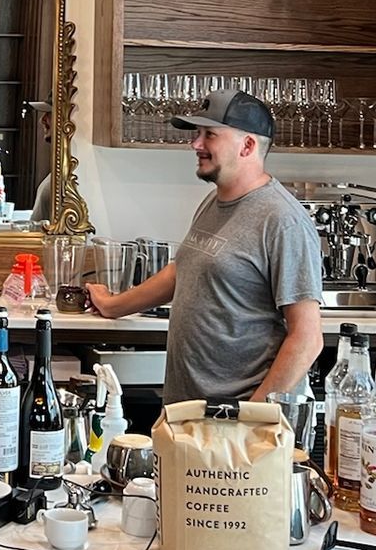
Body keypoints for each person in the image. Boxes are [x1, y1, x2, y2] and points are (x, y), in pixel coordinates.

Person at [88, 88, 323, 404]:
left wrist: (251, 417)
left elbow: (307, 338)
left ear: (247, 145)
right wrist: (114, 305)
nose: (195, 144)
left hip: (235, 415)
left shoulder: (283, 220)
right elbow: (183, 271)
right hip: (188, 410)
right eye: (197, 134)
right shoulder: (215, 201)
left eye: (209, 135)